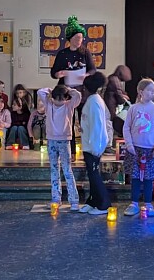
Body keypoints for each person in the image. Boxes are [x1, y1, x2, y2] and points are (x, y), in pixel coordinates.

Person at [51, 15, 95, 155]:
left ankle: (87, 148)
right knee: (68, 121)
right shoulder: (62, 54)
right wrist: (59, 74)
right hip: (66, 91)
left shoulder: (85, 52)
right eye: (76, 38)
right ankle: (70, 151)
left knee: (84, 119)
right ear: (70, 39)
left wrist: (86, 75)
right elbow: (53, 72)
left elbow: (93, 69)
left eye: (81, 38)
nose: (79, 41)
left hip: (82, 90)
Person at [123, 78, 154, 217]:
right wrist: (129, 144)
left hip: (150, 149)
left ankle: (148, 203)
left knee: (148, 178)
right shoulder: (133, 109)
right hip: (135, 148)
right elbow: (126, 127)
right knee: (135, 177)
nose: (153, 93)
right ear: (141, 92)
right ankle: (134, 203)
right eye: (150, 90)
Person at [37, 84, 82, 211]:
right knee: (54, 170)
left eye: (61, 99)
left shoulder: (69, 105)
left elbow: (77, 95)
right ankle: (56, 198)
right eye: (57, 98)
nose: (59, 101)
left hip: (64, 141)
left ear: (66, 98)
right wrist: (51, 91)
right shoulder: (49, 104)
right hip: (51, 140)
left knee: (67, 170)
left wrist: (68, 90)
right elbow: (41, 91)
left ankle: (74, 200)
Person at [79, 72, 113, 216]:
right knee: (91, 175)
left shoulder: (94, 102)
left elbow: (98, 127)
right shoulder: (93, 100)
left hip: (93, 146)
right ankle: (92, 200)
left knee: (94, 175)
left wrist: (96, 147)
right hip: (89, 145)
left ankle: (104, 204)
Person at [104, 65, 132, 139]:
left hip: (108, 104)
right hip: (110, 105)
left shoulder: (112, 78)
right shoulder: (114, 80)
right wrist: (124, 99)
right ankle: (108, 145)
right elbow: (118, 94)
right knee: (109, 125)